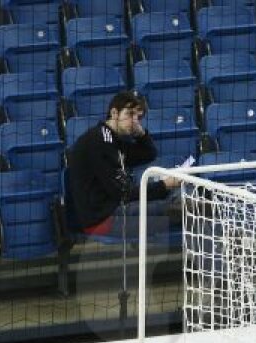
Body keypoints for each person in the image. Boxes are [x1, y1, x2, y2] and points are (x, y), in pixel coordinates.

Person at [66, 90, 181, 237]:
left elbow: (148, 154)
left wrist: (141, 134)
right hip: (102, 220)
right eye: (129, 114)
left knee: (180, 205)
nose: (135, 121)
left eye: (138, 117)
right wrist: (165, 185)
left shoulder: (115, 140)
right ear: (114, 113)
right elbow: (124, 194)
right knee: (179, 211)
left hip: (116, 210)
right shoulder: (100, 141)